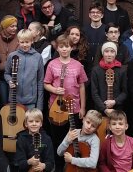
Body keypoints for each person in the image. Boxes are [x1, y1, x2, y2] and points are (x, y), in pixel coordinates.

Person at [45, 34, 88, 170]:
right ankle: (58, 167)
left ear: (72, 48)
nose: (64, 49)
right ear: (57, 48)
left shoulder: (78, 65)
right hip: (56, 109)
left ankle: (71, 167)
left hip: (74, 108)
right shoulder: (52, 64)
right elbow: (46, 83)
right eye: (61, 47)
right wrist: (54, 89)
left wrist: (82, 107)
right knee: (57, 139)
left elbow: (81, 86)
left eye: (67, 46)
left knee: (73, 139)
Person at [5, 29, 45, 110]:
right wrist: (9, 81)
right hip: (14, 100)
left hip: (31, 101)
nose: (24, 45)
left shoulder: (37, 57)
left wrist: (39, 106)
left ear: (32, 41)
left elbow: (40, 81)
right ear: (18, 42)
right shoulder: (12, 56)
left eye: (27, 42)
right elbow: (6, 73)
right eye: (22, 42)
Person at [91, 42, 127, 116]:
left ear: (115, 53)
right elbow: (94, 92)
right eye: (106, 51)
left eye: (112, 51)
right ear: (102, 53)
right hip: (100, 110)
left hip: (117, 109)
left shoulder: (122, 70)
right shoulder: (96, 70)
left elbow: (125, 92)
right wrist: (104, 108)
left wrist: (115, 101)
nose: (109, 54)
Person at [0, 15, 19, 106]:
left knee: (14, 103)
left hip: (15, 77)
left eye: (16, 26)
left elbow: (18, 60)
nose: (15, 28)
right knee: (3, 103)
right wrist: (0, 66)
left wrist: (1, 65)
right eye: (12, 26)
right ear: (4, 26)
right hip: (1, 78)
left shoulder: (19, 39)